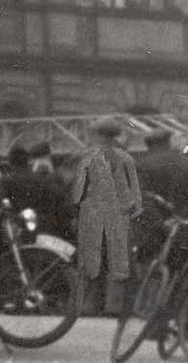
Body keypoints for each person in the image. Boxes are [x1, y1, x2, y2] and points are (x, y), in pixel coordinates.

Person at [73, 116, 142, 314]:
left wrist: (76, 212)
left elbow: (79, 188)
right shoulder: (125, 156)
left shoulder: (88, 155)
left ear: (98, 133)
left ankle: (87, 304)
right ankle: (113, 305)